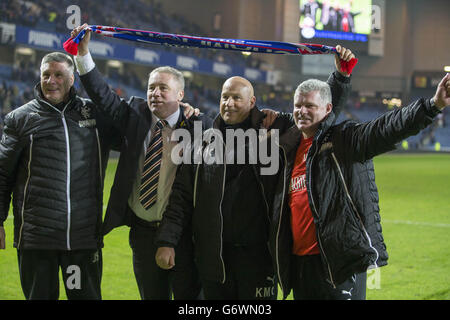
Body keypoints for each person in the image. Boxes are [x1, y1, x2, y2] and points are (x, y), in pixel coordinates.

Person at [154, 46, 355, 300]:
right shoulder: (201, 143)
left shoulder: (274, 134)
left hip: (260, 259)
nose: (229, 103)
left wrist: (339, 78)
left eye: (237, 97)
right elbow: (181, 196)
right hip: (215, 258)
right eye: (225, 96)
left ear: (252, 102)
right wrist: (167, 241)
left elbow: (316, 113)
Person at [270, 72, 450, 300]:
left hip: (338, 262)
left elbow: (387, 127)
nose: (302, 111)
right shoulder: (290, 149)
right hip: (301, 265)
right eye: (298, 105)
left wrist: (433, 105)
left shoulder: (344, 139)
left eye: (309, 105)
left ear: (327, 110)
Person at [70, 24, 210, 300]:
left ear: (180, 96)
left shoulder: (197, 126)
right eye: (151, 88)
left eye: (163, 88)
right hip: (142, 234)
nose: (155, 93)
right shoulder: (134, 115)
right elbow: (102, 95)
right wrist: (83, 52)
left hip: (185, 236)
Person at [0, 51, 119, 300]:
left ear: (72, 78)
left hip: (82, 239)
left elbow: (123, 117)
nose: (51, 81)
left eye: (58, 75)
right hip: (37, 240)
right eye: (46, 75)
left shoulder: (93, 114)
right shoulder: (20, 119)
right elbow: (2, 173)